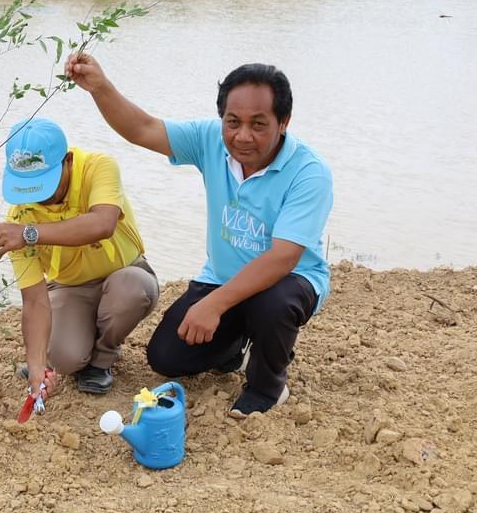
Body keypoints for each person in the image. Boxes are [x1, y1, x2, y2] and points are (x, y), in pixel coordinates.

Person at [65, 55, 333, 417]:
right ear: (222, 117)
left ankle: (268, 385)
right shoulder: (211, 140)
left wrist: (215, 304)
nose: (242, 136)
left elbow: (283, 257)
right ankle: (240, 346)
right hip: (222, 278)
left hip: (289, 280)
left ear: (283, 122)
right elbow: (143, 129)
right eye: (233, 122)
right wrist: (100, 87)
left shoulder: (309, 172)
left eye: (259, 124)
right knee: (166, 357)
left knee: (274, 304)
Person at [0, 117, 159, 395]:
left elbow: (103, 224)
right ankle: (77, 343)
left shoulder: (99, 167)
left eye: (45, 184)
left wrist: (30, 233)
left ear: (68, 161)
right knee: (64, 358)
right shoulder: (19, 217)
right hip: (70, 288)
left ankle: (102, 359)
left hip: (124, 273)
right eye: (30, 186)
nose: (40, 197)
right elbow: (35, 300)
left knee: (130, 291)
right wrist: (36, 366)